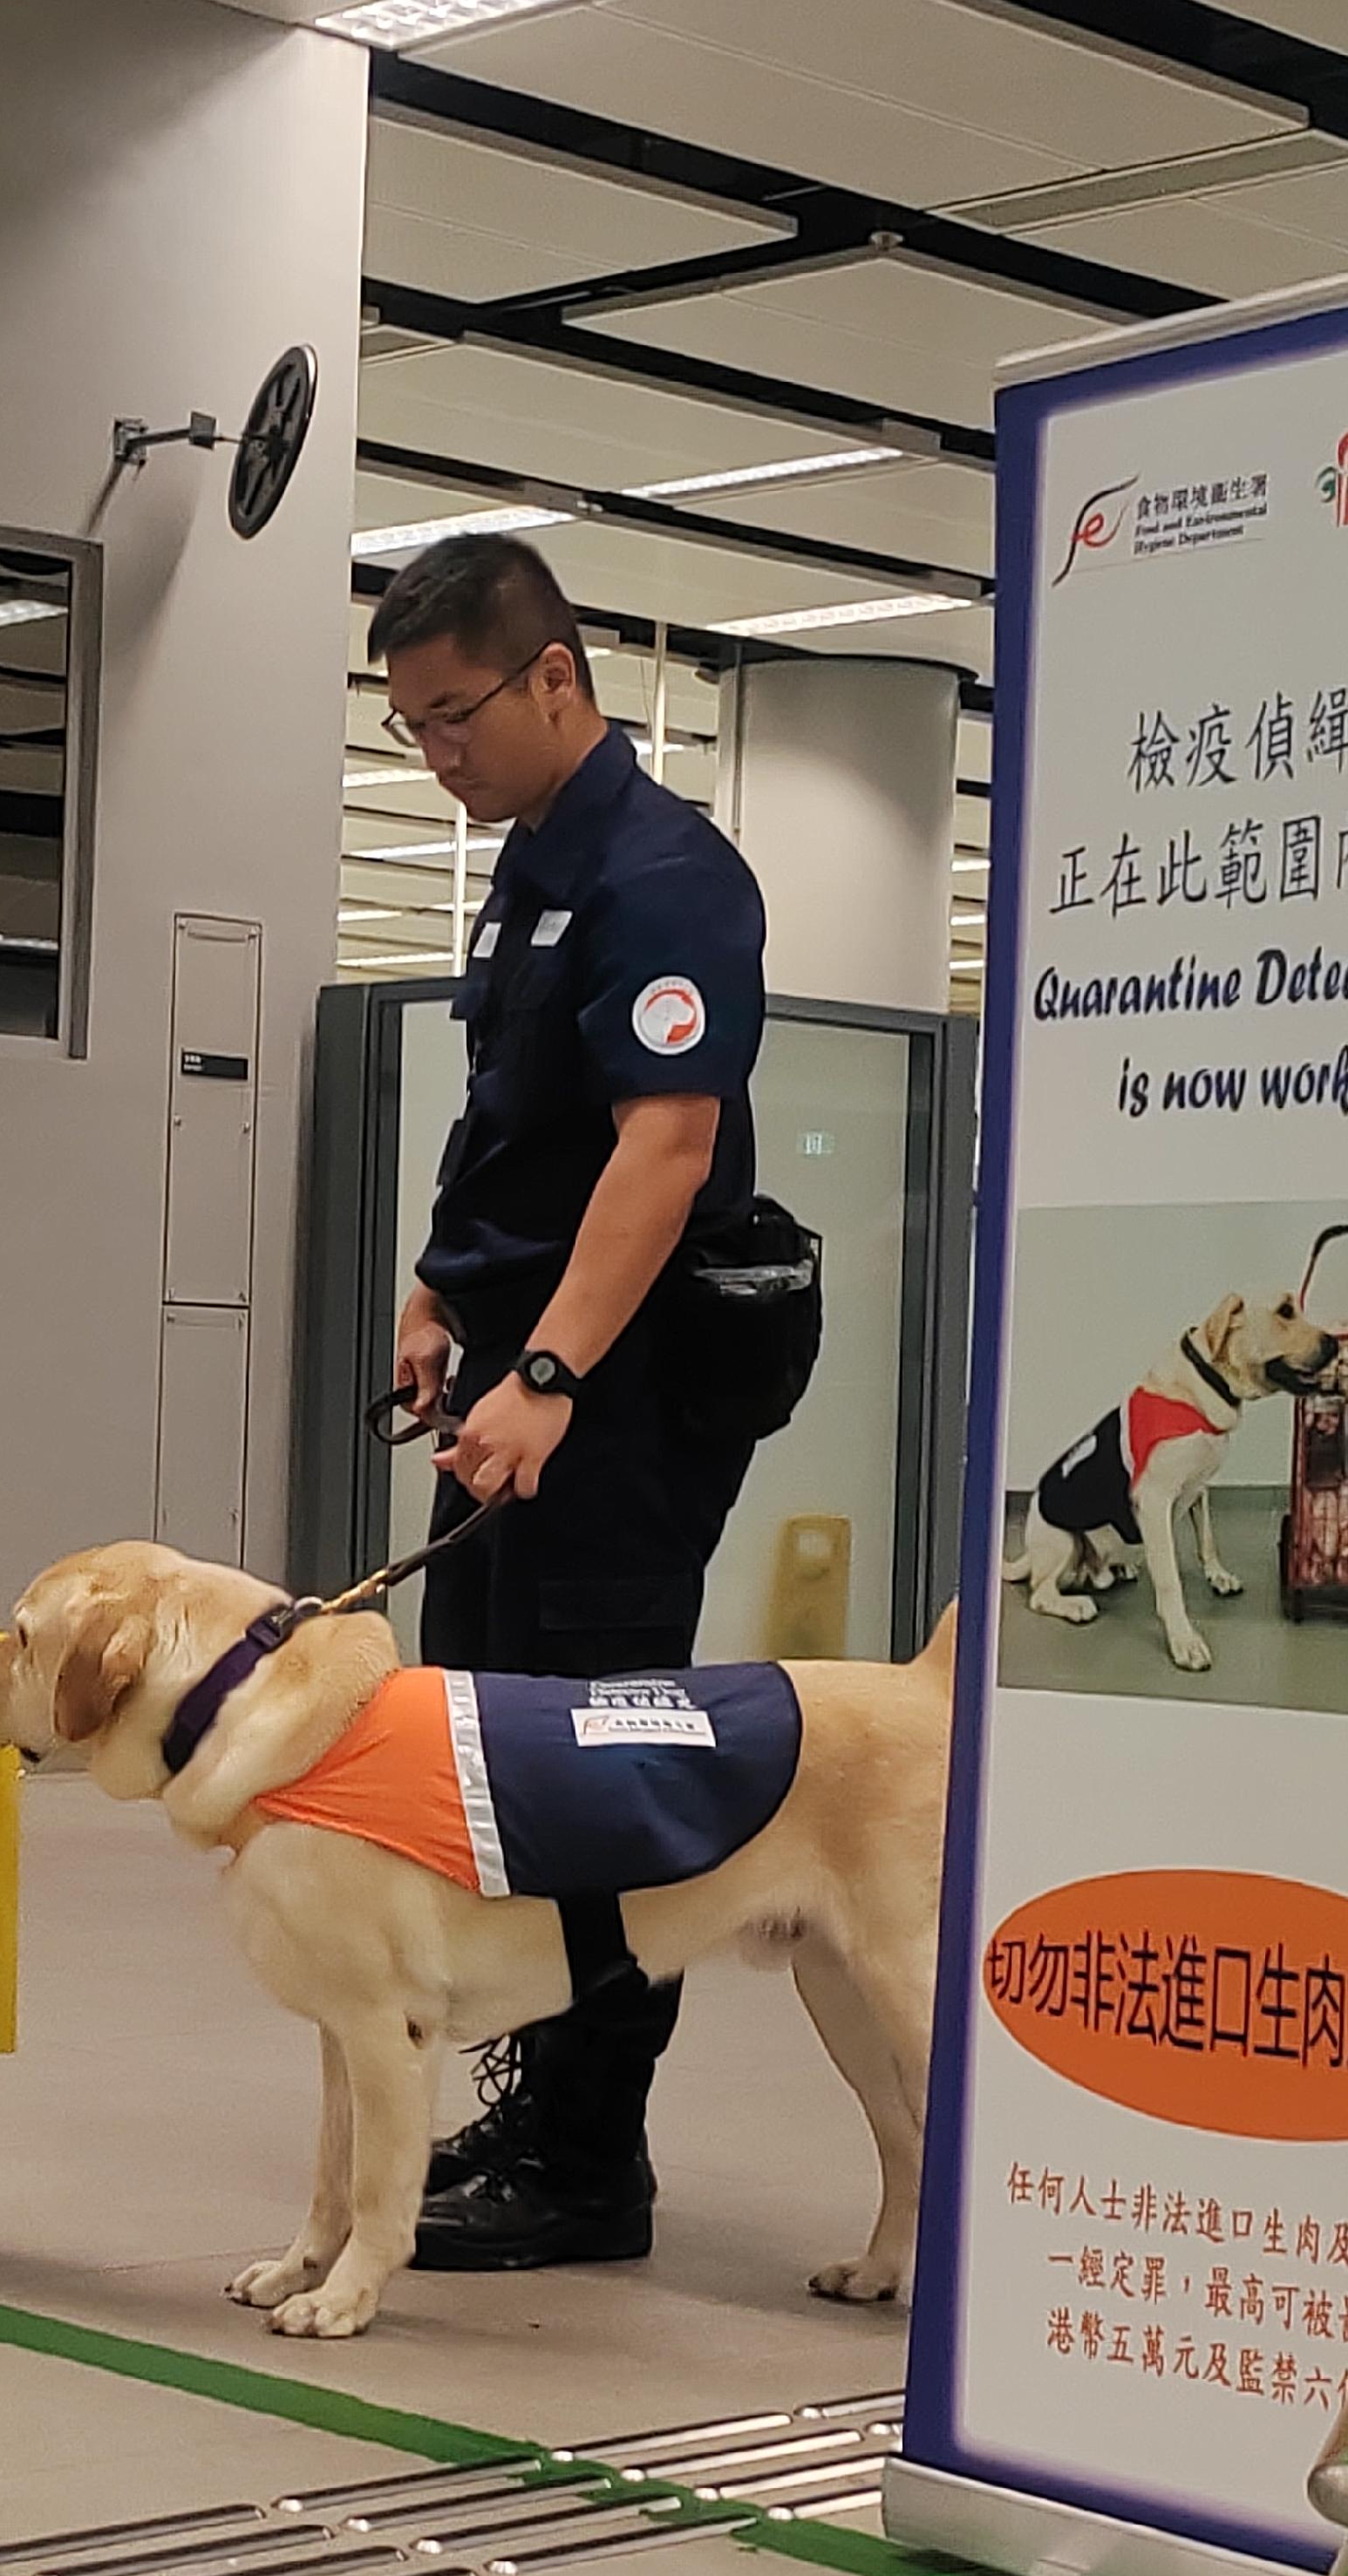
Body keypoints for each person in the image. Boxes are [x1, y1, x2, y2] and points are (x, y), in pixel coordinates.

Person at [371, 534, 773, 2273]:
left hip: (614, 1395)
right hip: (517, 1372)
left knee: (590, 1762)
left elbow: (661, 1146)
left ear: (553, 676)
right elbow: (511, 1128)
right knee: (482, 1752)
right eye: (408, 732)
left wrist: (545, 1370)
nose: (434, 758)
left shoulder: (660, 874)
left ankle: (591, 2155)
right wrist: (442, 1297)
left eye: (451, 717)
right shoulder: (529, 863)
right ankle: (533, 2100)